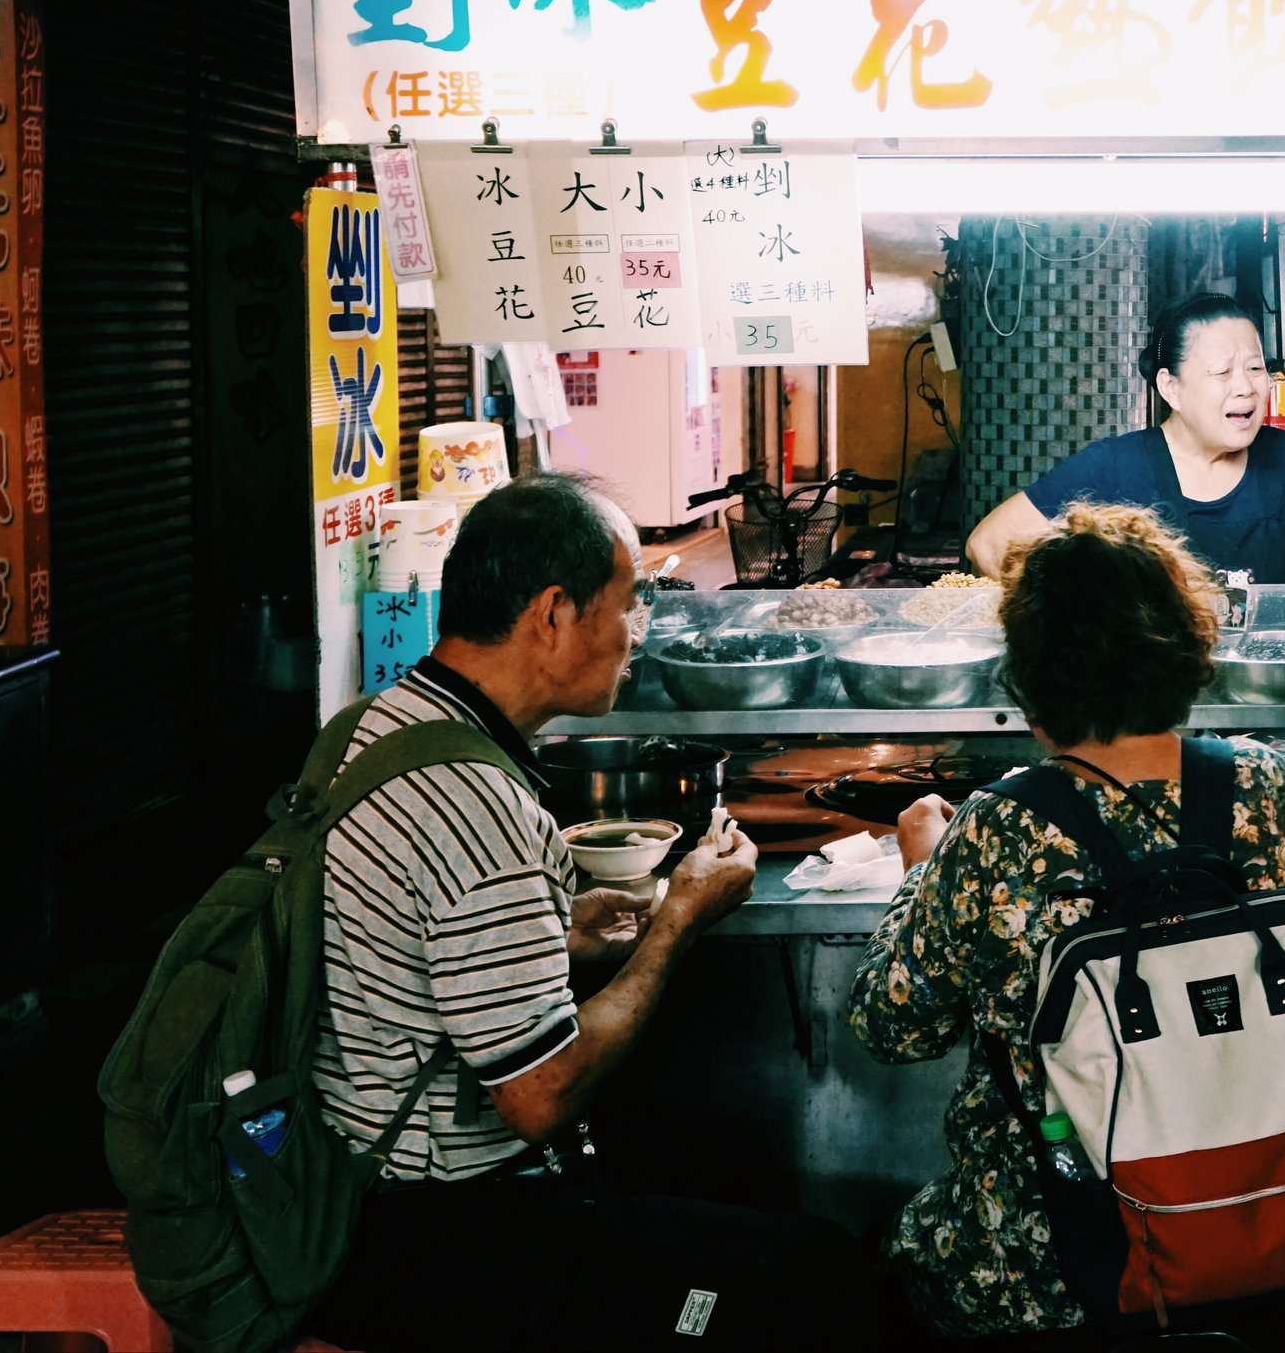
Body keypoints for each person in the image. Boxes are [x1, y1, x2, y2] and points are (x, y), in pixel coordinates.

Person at [307, 474, 871, 1351]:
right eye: (628, 605)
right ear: (554, 614)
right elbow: (539, 1095)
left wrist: (556, 925)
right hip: (439, 1240)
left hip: (349, 1189)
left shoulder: (380, 724)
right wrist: (681, 915)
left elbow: (411, 947)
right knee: (814, 1279)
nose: (635, 634)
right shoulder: (475, 802)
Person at [848, 503, 1285, 1339]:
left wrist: (924, 868)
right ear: (1184, 647)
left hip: (1054, 1255)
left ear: (1032, 671)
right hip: (1260, 1218)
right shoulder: (1262, 785)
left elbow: (894, 1027)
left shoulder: (1002, 826)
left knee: (893, 1263)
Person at [965, 294, 1285, 586]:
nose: (1245, 387)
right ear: (1171, 388)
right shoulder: (1114, 467)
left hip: (1265, 682)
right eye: (1222, 372)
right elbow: (989, 545)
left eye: (1256, 368)